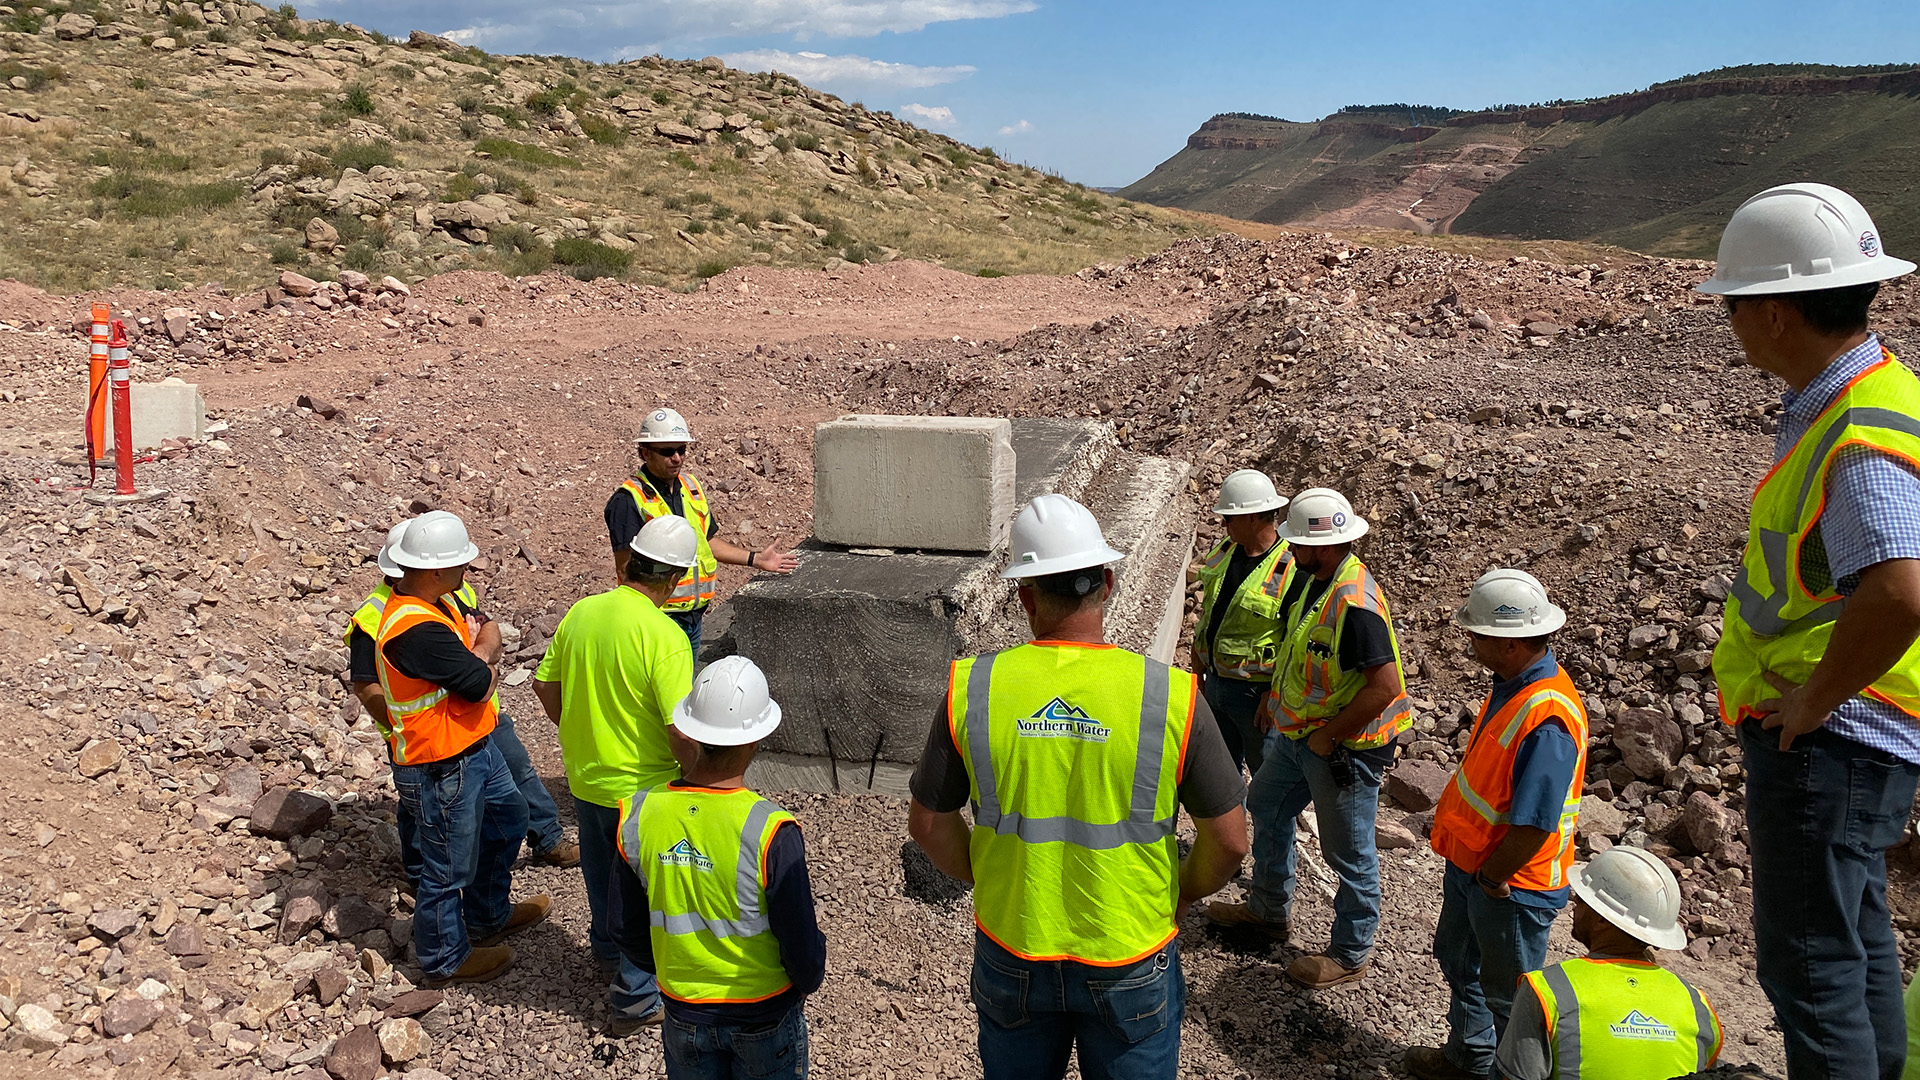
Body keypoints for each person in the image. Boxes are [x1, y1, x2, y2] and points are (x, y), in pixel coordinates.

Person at [908, 493, 1249, 1080]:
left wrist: (992, 875)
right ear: (1108, 583)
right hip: (1129, 949)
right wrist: (1180, 891)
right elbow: (1230, 841)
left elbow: (929, 824)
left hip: (1014, 944)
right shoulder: (1169, 695)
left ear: (1024, 595)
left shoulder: (975, 688)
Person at [1697, 183, 1920, 1080]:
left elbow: (1899, 591)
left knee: (1811, 971)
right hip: (1866, 737)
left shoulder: (1857, 428)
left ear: (1777, 312)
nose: (1731, 324)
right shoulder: (1876, 392)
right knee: (1855, 947)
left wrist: (1813, 703)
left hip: (1831, 741)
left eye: (1734, 304)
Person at [1207, 487, 1411, 990]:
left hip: (1344, 747)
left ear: (1327, 545)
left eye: (1300, 543)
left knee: (1349, 852)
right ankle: (1268, 910)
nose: (1291, 548)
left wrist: (1330, 736)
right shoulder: (1314, 581)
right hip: (1302, 733)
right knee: (1266, 804)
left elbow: (1385, 687)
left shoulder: (1354, 602)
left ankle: (1350, 953)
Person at [1406, 570, 1589, 1080]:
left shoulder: (1547, 716)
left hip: (1511, 884)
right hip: (1477, 867)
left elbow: (1535, 824)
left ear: (1510, 644)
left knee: (1511, 999)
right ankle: (1469, 1057)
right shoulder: (1514, 687)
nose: (1469, 640)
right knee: (1458, 960)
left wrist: (1492, 878)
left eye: (1478, 633)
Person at [609, 657, 826, 1079]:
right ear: (756, 739)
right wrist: (807, 978)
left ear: (691, 731)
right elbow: (798, 938)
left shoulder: (639, 815)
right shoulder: (770, 830)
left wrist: (672, 973)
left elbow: (623, 924)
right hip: (763, 1013)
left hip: (683, 1011)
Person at [533, 515, 701, 1031]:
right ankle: (635, 996)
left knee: (601, 872)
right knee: (643, 892)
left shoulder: (582, 613)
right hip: (644, 790)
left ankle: (607, 952)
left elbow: (544, 686)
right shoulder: (666, 636)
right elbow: (679, 729)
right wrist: (698, 778)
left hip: (587, 780)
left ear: (632, 562)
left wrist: (580, 729)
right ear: (675, 578)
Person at [348, 523, 577, 885]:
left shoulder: (451, 591)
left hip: (479, 716)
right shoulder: (374, 616)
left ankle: (545, 837)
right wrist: (398, 727)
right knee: (424, 813)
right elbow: (366, 685)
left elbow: (488, 630)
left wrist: (477, 656)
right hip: (424, 738)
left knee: (515, 775)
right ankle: (422, 878)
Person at [375, 510, 549, 986]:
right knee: (447, 866)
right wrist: (484, 661)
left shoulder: (441, 602)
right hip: (439, 763)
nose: (468, 570)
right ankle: (444, 959)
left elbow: (487, 631)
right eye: (461, 563)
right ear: (434, 570)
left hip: (473, 746)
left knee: (509, 819)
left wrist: (480, 652)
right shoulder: (413, 629)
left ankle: (488, 915)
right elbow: (478, 685)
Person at [1495, 846, 1722, 1080]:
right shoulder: (1697, 1003)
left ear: (1602, 918)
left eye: (1581, 901)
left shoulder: (1546, 990)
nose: (1574, 908)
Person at [605, 408, 799, 654]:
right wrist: (644, 622)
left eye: (682, 449)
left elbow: (706, 542)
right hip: (659, 619)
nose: (677, 458)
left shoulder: (690, 487)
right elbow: (625, 570)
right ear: (645, 452)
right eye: (667, 452)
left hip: (694, 617)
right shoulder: (628, 500)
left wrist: (756, 559)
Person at [1190, 469, 1294, 776]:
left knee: (1267, 780)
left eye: (1229, 518)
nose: (1223, 525)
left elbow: (1295, 640)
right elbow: (1210, 616)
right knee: (1222, 776)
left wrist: (1273, 695)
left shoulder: (1290, 567)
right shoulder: (1226, 551)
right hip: (1215, 682)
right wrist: (1198, 671)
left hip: (1255, 696)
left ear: (1252, 518)